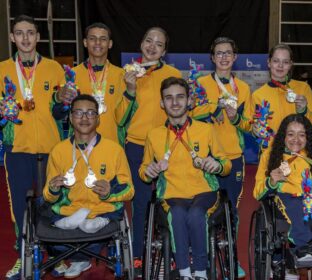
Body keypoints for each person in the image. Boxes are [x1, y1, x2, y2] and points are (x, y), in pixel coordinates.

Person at [139, 77, 232, 280]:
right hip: (171, 193)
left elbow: (226, 164)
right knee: (178, 214)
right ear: (162, 103)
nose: (175, 102)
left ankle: (200, 272)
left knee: (196, 213)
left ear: (189, 101)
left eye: (180, 97)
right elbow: (143, 170)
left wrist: (217, 165)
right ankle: (184, 273)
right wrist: (150, 171)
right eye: (169, 98)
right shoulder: (154, 135)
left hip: (204, 191)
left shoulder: (205, 129)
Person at [0, 15, 65, 280]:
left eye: (30, 33)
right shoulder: (2, 69)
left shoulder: (54, 69)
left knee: (51, 203)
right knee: (20, 208)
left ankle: (54, 254)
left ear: (38, 37)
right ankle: (23, 254)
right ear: (13, 37)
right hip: (17, 149)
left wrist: (62, 101)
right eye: (19, 33)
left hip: (50, 149)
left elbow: (61, 113)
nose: (25, 38)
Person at [43, 94, 134, 278]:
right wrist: (53, 189)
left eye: (90, 113)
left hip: (103, 209)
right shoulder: (58, 151)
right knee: (48, 220)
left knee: (94, 223)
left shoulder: (114, 150)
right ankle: (79, 258)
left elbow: (129, 189)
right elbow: (48, 195)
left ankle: (83, 245)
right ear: (70, 117)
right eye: (78, 113)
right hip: (70, 210)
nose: (84, 118)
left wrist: (110, 192)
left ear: (98, 118)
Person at [119, 26, 182, 272]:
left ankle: (175, 253)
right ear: (141, 43)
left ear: (164, 50)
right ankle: (137, 255)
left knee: (172, 199)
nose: (152, 46)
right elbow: (119, 117)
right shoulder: (127, 73)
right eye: (148, 40)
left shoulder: (174, 73)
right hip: (136, 145)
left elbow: (181, 109)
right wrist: (129, 90)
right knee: (140, 202)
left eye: (158, 44)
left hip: (168, 144)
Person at [191, 37, 251, 278]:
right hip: (205, 156)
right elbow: (190, 112)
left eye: (228, 53)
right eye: (219, 53)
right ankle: (202, 260)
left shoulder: (244, 88)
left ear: (235, 58)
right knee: (203, 208)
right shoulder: (201, 83)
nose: (224, 57)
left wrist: (235, 117)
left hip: (233, 156)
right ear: (212, 58)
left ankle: (230, 259)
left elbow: (249, 125)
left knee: (231, 211)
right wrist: (214, 108)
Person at [253, 114, 312, 278]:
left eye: (302, 134)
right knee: (296, 202)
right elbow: (257, 192)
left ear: (308, 137)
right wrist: (271, 181)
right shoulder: (270, 156)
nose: (296, 139)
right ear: (283, 136)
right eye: (291, 134)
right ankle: (301, 248)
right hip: (289, 199)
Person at [55, 22, 126, 143]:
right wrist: (59, 98)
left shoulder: (122, 75)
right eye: (92, 38)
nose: (98, 43)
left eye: (103, 39)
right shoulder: (71, 75)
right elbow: (57, 114)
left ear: (110, 44)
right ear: (85, 42)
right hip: (79, 145)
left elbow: (127, 116)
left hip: (112, 145)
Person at [249, 44, 312, 151]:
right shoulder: (258, 95)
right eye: (276, 61)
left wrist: (304, 111)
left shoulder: (303, 88)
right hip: (271, 154)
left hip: (299, 153)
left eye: (285, 62)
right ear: (269, 63)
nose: (280, 66)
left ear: (291, 64)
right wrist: (255, 130)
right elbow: (253, 127)